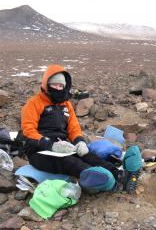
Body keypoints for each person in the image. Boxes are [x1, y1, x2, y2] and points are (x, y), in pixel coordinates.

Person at [21, 64, 134, 193]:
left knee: (87, 155)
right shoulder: (34, 103)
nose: (58, 88)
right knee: (68, 161)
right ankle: (100, 180)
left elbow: (73, 128)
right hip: (38, 151)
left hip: (63, 146)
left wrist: (79, 141)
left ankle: (118, 174)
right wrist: (50, 145)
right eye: (54, 85)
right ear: (46, 84)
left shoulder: (66, 105)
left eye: (61, 86)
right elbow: (28, 131)